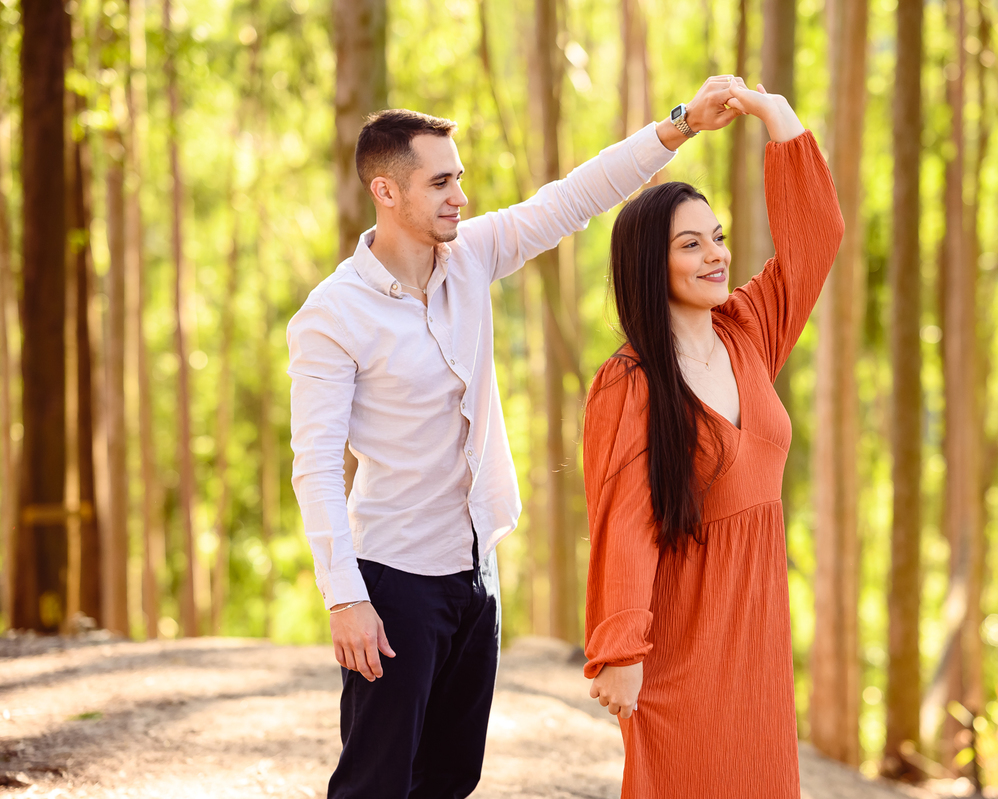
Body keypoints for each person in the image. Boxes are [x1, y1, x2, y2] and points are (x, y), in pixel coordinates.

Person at [286, 78, 743, 799]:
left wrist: (680, 124)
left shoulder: (470, 258)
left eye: (459, 179)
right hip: (394, 577)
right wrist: (345, 596)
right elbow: (313, 467)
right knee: (376, 779)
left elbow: (572, 197)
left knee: (451, 775)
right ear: (386, 191)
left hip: (476, 572)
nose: (459, 197)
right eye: (440, 183)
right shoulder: (332, 316)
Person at [581, 81, 844, 798]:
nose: (716, 256)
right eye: (690, 244)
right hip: (681, 643)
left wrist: (775, 114)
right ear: (650, 264)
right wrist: (622, 647)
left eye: (719, 238)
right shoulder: (628, 381)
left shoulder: (750, 331)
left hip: (756, 635)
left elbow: (815, 241)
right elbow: (624, 521)